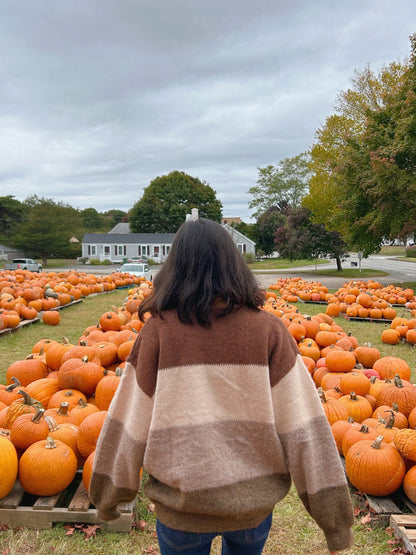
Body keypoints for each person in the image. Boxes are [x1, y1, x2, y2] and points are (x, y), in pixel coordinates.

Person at [89, 217, 354, 554]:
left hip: (181, 511)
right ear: (234, 264)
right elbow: (306, 429)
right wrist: (335, 523)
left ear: (175, 267)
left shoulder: (158, 332)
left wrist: (109, 496)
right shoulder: (269, 331)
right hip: (252, 511)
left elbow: (128, 421)